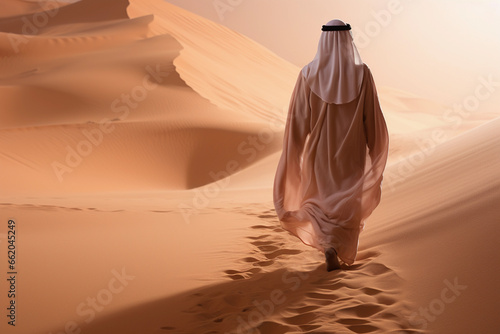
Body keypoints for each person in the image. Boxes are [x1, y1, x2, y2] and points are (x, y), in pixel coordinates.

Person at [273, 19, 389, 271]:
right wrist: (375, 153)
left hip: (318, 159)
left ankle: (328, 245)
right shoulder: (363, 75)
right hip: (351, 157)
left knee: (319, 203)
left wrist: (294, 156)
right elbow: (373, 121)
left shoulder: (307, 74)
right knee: (346, 205)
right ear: (348, 41)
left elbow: (298, 123)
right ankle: (335, 247)